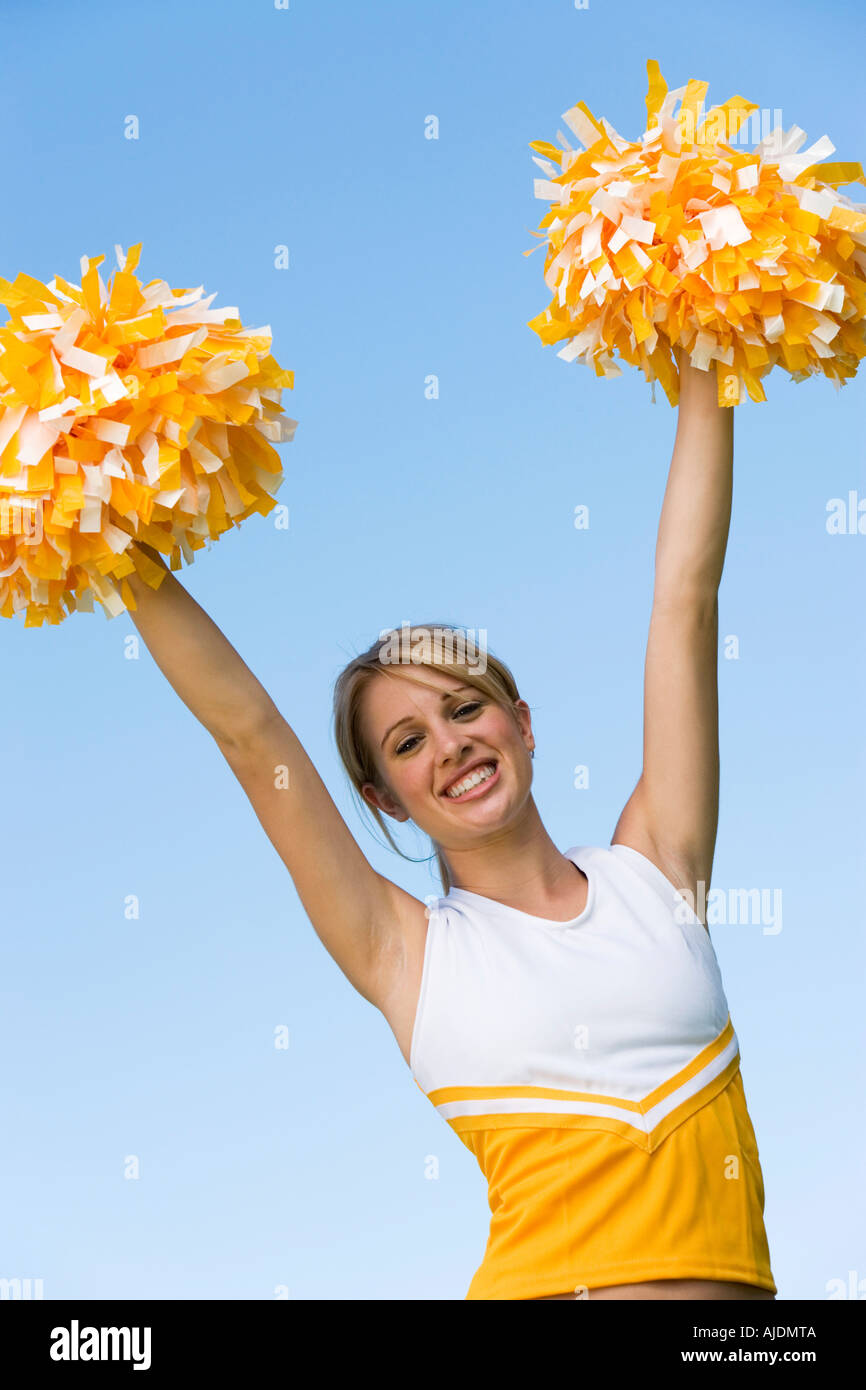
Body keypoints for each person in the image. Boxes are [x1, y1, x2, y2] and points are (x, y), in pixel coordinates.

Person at [124, 344, 776, 1300]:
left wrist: (708, 347)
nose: (452, 747)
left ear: (521, 723)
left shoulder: (658, 868)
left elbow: (686, 597)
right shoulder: (405, 953)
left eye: (466, 710)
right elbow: (246, 734)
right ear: (385, 798)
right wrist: (113, 547)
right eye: (407, 741)